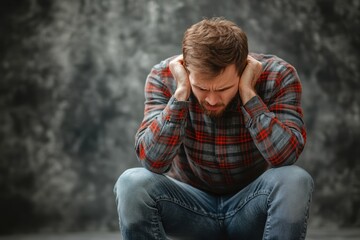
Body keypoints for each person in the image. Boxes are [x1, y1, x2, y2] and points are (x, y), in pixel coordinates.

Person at [114, 17, 314, 240]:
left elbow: (285, 157)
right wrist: (181, 95)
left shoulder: (278, 75)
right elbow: (153, 161)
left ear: (243, 70)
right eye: (201, 88)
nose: (211, 100)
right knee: (131, 183)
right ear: (186, 70)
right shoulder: (163, 77)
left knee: (295, 179)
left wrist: (249, 95)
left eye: (224, 88)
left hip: (250, 207)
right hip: (188, 210)